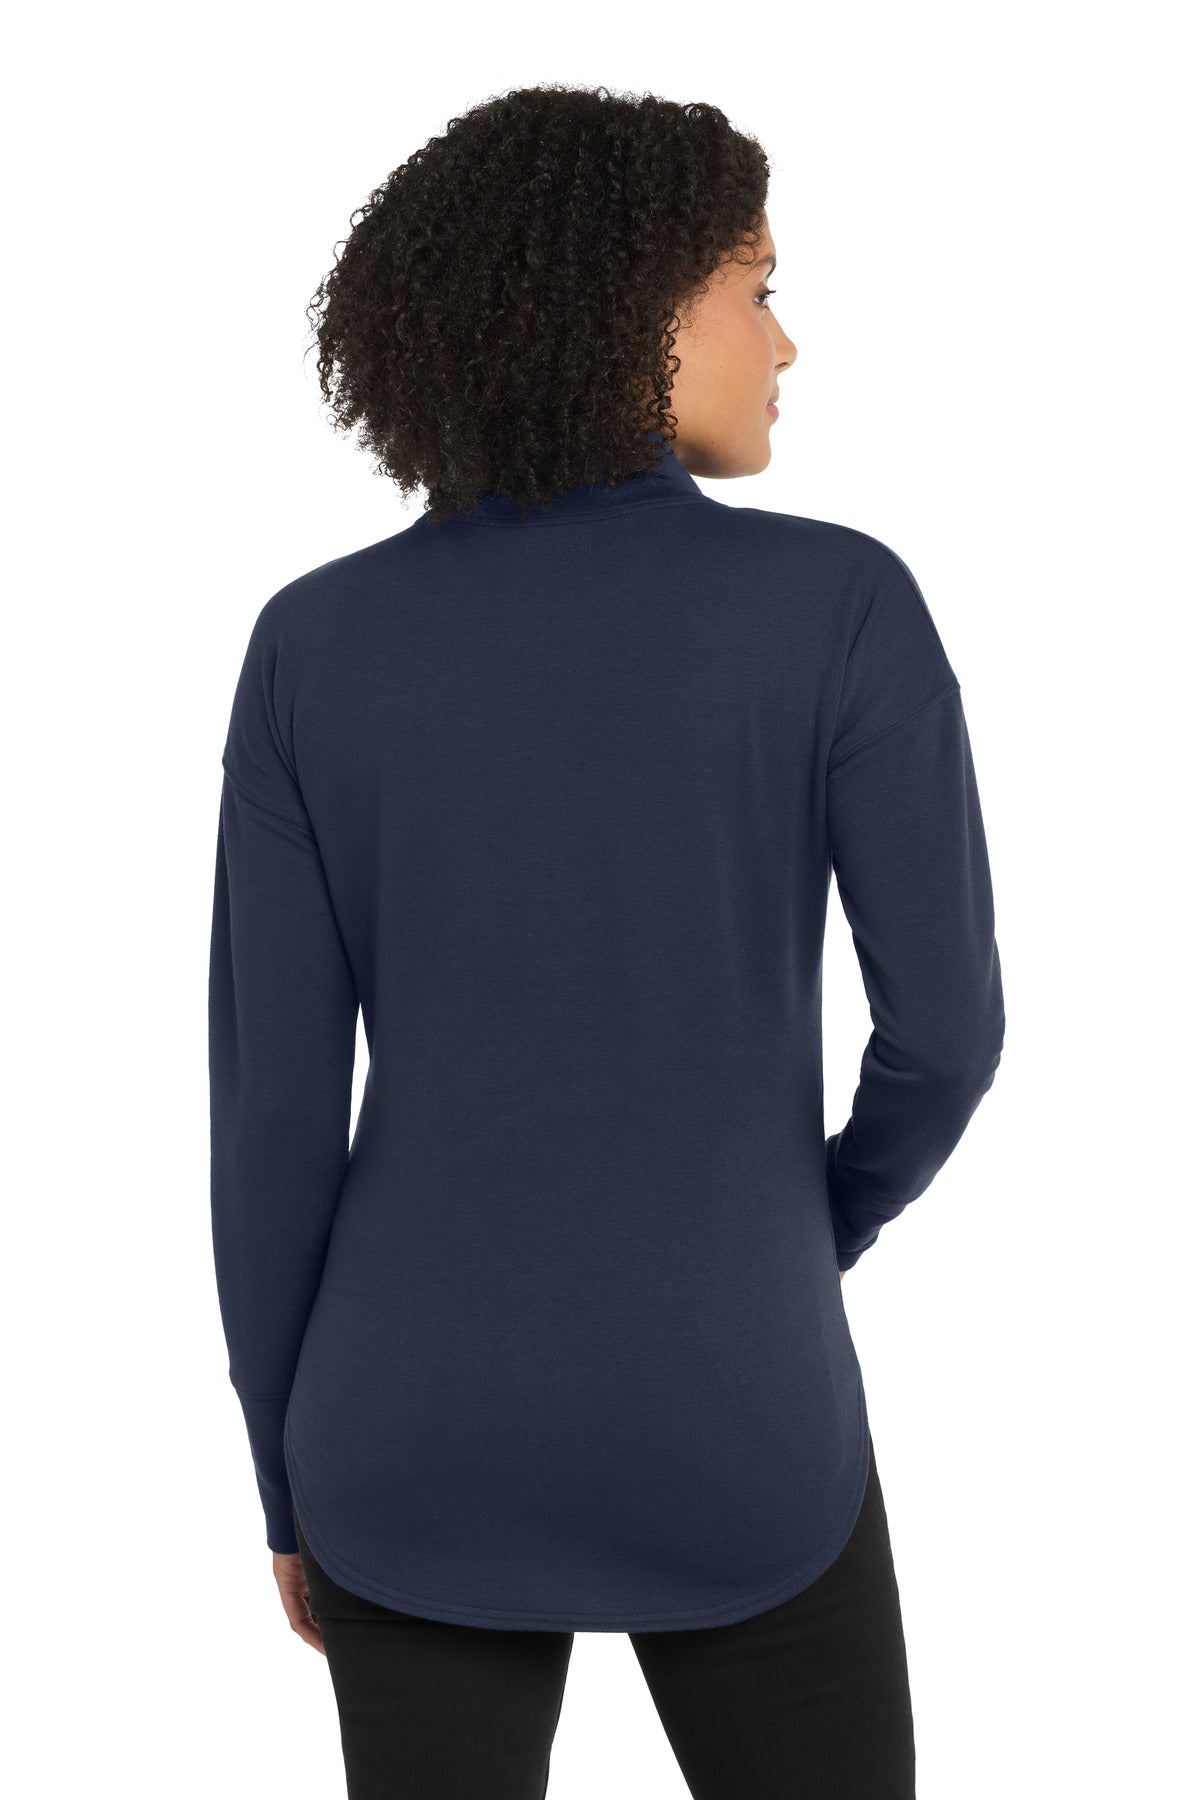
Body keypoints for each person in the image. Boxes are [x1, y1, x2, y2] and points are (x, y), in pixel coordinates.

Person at [208, 83, 1005, 1799]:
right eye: (759, 288)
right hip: (734, 1406)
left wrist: (286, 1480)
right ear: (640, 304)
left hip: (405, 1426)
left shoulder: (312, 646)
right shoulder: (840, 606)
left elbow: (273, 1126)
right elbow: (947, 1036)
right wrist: (802, 1227)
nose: (786, 344)